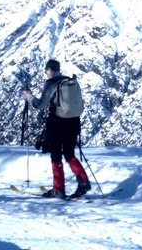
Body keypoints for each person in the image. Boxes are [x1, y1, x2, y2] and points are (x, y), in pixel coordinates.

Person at [22, 59, 91, 199]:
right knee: (69, 153)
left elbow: (40, 105)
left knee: (56, 155)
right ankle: (84, 181)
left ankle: (58, 190)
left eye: (46, 70)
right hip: (74, 121)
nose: (45, 73)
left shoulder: (51, 83)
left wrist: (29, 97)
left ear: (50, 70)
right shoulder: (70, 81)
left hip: (57, 123)